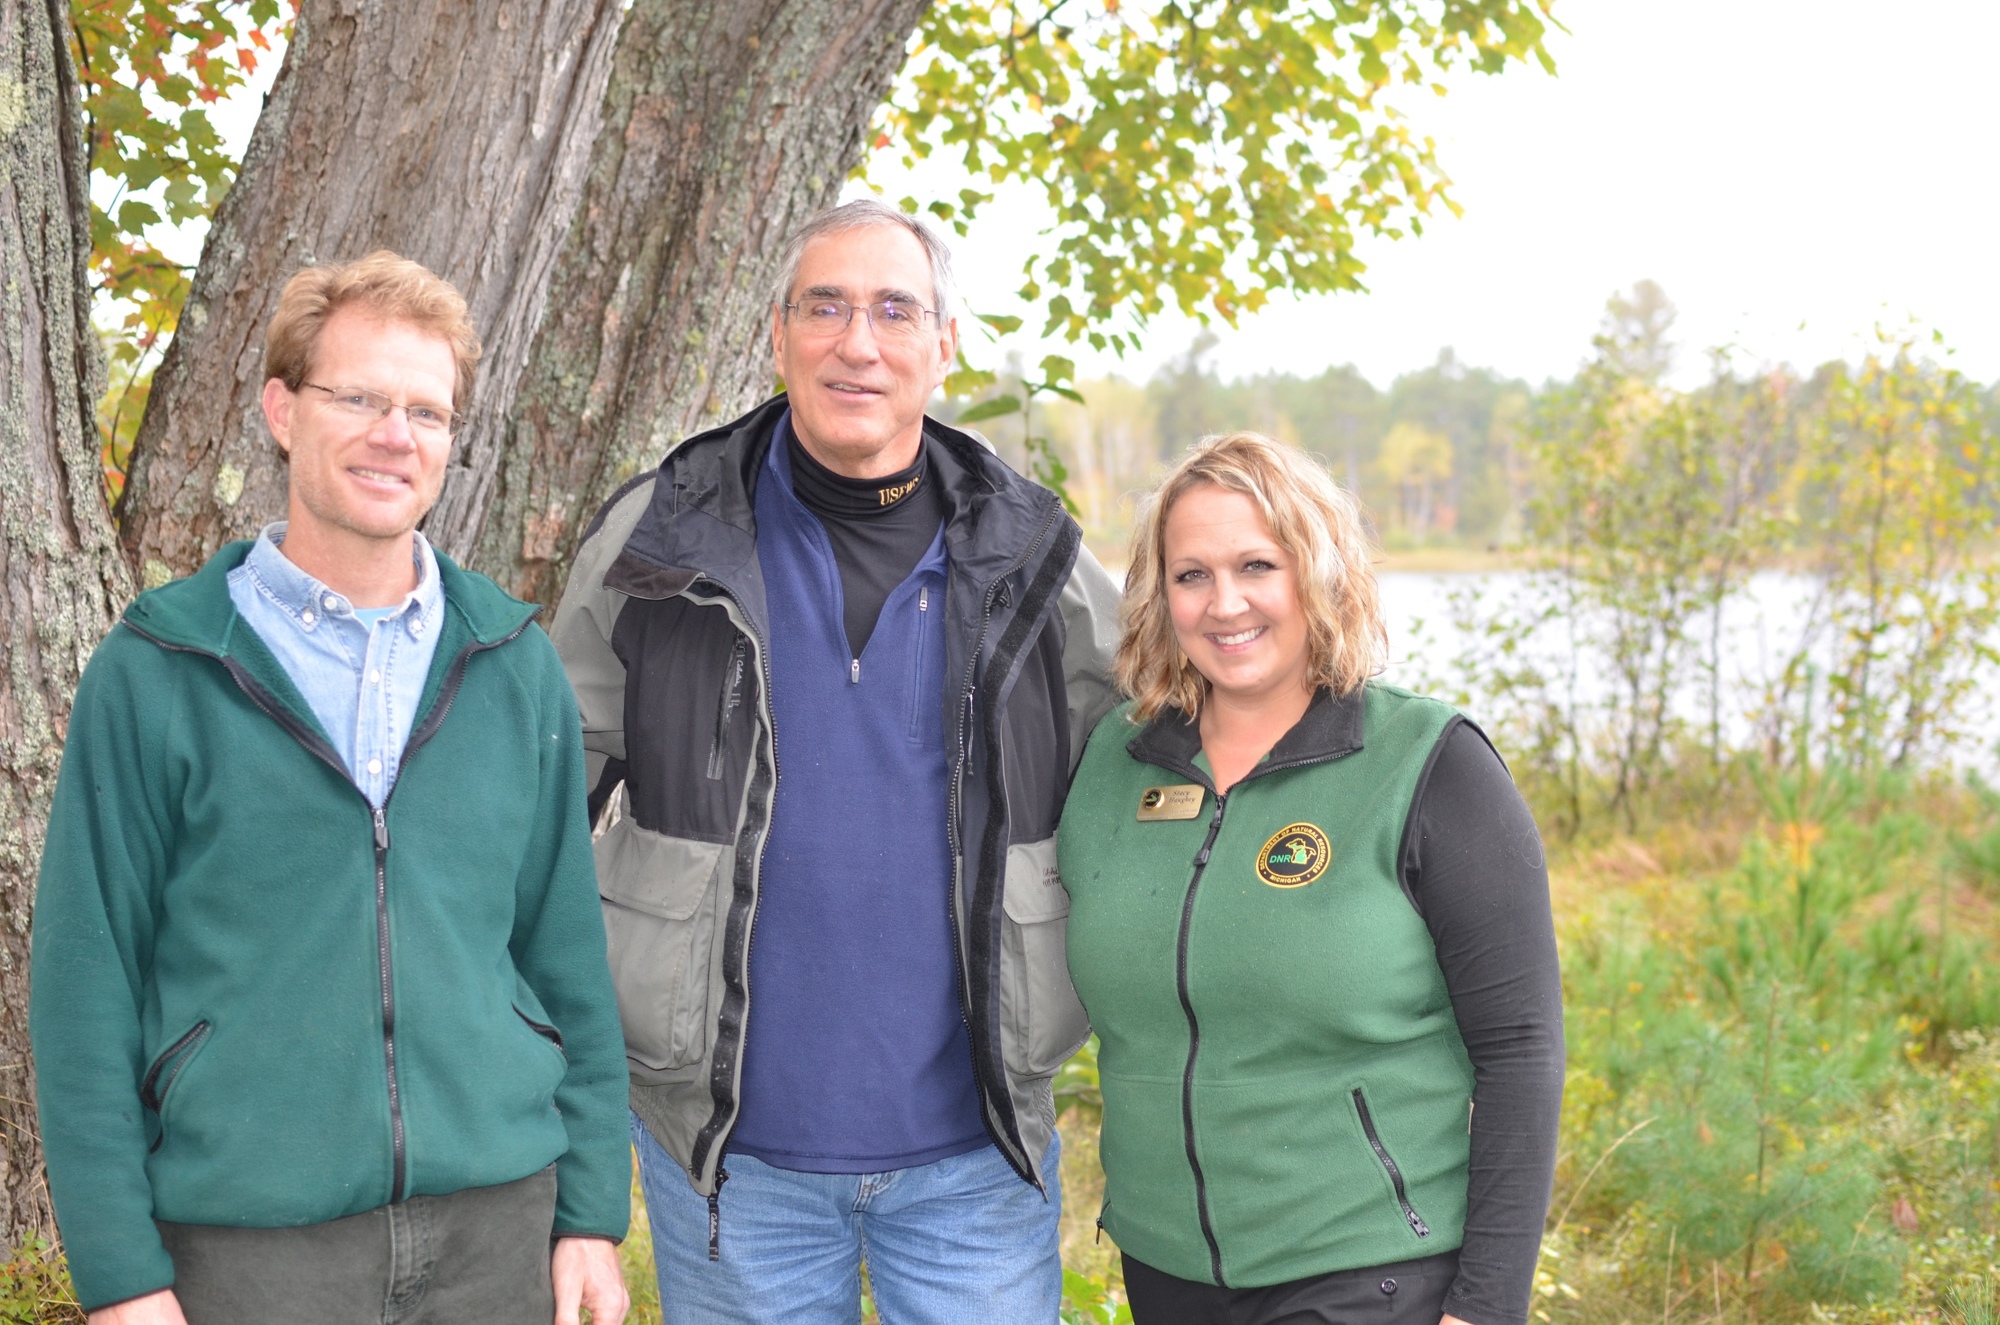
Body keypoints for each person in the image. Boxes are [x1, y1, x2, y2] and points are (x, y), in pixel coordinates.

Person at [30, 252, 632, 1325]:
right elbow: (85, 990)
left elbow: (566, 957)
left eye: (425, 410)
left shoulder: (510, 662)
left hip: (495, 1233)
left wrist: (588, 1211)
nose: (394, 434)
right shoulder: (162, 668)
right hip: (248, 1246)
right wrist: (121, 1274)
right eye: (357, 397)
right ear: (281, 409)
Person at [552, 198, 1121, 1324]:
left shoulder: (1035, 552)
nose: (856, 342)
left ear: (941, 344)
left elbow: (1154, 767)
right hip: (728, 1160)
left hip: (976, 1154)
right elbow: (535, 798)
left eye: (892, 310)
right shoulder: (659, 536)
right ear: (778, 333)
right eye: (825, 306)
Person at [1058, 432, 1563, 1325]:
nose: (1226, 603)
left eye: (1259, 564)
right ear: (1158, 592)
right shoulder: (1114, 762)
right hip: (1166, 1270)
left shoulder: (1428, 763)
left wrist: (1486, 1307)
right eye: (1192, 574)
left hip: (1368, 1271)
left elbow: (1521, 1049)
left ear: (1319, 572)